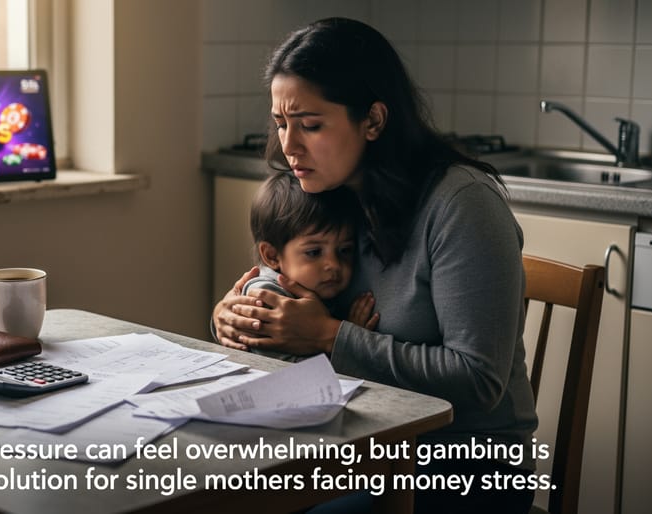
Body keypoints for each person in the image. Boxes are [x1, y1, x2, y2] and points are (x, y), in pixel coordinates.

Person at [211, 17, 538, 514]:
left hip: (470, 462)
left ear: (374, 120)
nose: (289, 147)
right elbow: (286, 294)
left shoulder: (463, 205)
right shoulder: (332, 193)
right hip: (361, 437)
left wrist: (328, 336)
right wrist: (236, 318)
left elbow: (478, 383)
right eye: (281, 124)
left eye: (311, 125)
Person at [243, 170, 379, 362]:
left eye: (345, 250)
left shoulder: (321, 289)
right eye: (314, 252)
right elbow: (291, 376)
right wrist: (346, 340)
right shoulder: (267, 297)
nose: (333, 264)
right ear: (272, 256)